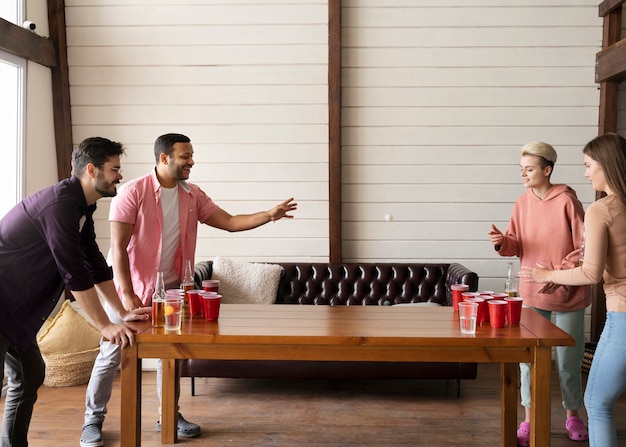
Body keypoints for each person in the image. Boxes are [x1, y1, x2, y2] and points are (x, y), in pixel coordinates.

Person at [81, 132, 297, 447]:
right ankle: (92, 421)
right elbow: (118, 249)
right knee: (113, 352)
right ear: (164, 158)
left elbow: (230, 221)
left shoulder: (192, 195)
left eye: (191, 155)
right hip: (131, 288)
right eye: (185, 156)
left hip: (172, 290)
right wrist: (127, 298)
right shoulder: (132, 193)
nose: (192, 161)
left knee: (172, 355)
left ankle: (168, 415)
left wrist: (268, 215)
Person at [0, 137, 151, 447]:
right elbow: (73, 271)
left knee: (30, 376)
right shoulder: (59, 206)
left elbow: (93, 261)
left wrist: (121, 311)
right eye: (115, 169)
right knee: (23, 378)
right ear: (92, 169)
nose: (120, 175)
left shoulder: (82, 204)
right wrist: (105, 325)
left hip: (13, 312)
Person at [521, 133, 626, 447]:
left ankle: (573, 414)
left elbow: (591, 271)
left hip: (621, 316)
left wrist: (547, 273)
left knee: (597, 404)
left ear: (606, 165)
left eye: (588, 165)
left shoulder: (600, 209)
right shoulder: (523, 203)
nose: (585, 173)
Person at [488, 141, 590, 446]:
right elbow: (516, 244)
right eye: (521, 169)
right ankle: (528, 420)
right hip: (531, 294)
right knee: (528, 362)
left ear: (547, 170)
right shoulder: (521, 203)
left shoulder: (567, 201)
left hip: (568, 291)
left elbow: (584, 247)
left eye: (529, 169)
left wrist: (557, 274)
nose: (524, 174)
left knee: (568, 361)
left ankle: (573, 415)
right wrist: (501, 241)